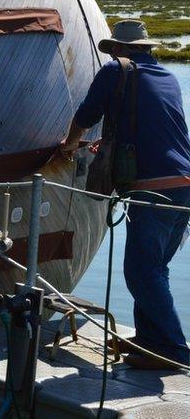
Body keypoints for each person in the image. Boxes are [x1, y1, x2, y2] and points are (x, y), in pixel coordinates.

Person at [60, 19, 190, 369]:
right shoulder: (168, 77)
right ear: (147, 48)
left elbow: (86, 114)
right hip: (183, 186)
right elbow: (157, 130)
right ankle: (150, 342)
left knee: (139, 271)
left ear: (119, 49)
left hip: (152, 188)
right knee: (155, 267)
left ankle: (175, 350)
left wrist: (70, 146)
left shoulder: (115, 71)